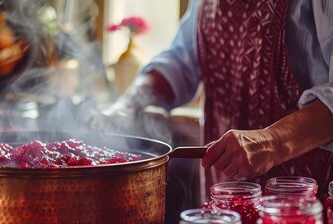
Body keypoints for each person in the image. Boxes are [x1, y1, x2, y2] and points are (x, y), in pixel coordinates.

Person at [92, 0, 333, 201]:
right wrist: (126, 106)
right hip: (224, 200)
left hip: (307, 201)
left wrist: (273, 141)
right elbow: (180, 60)